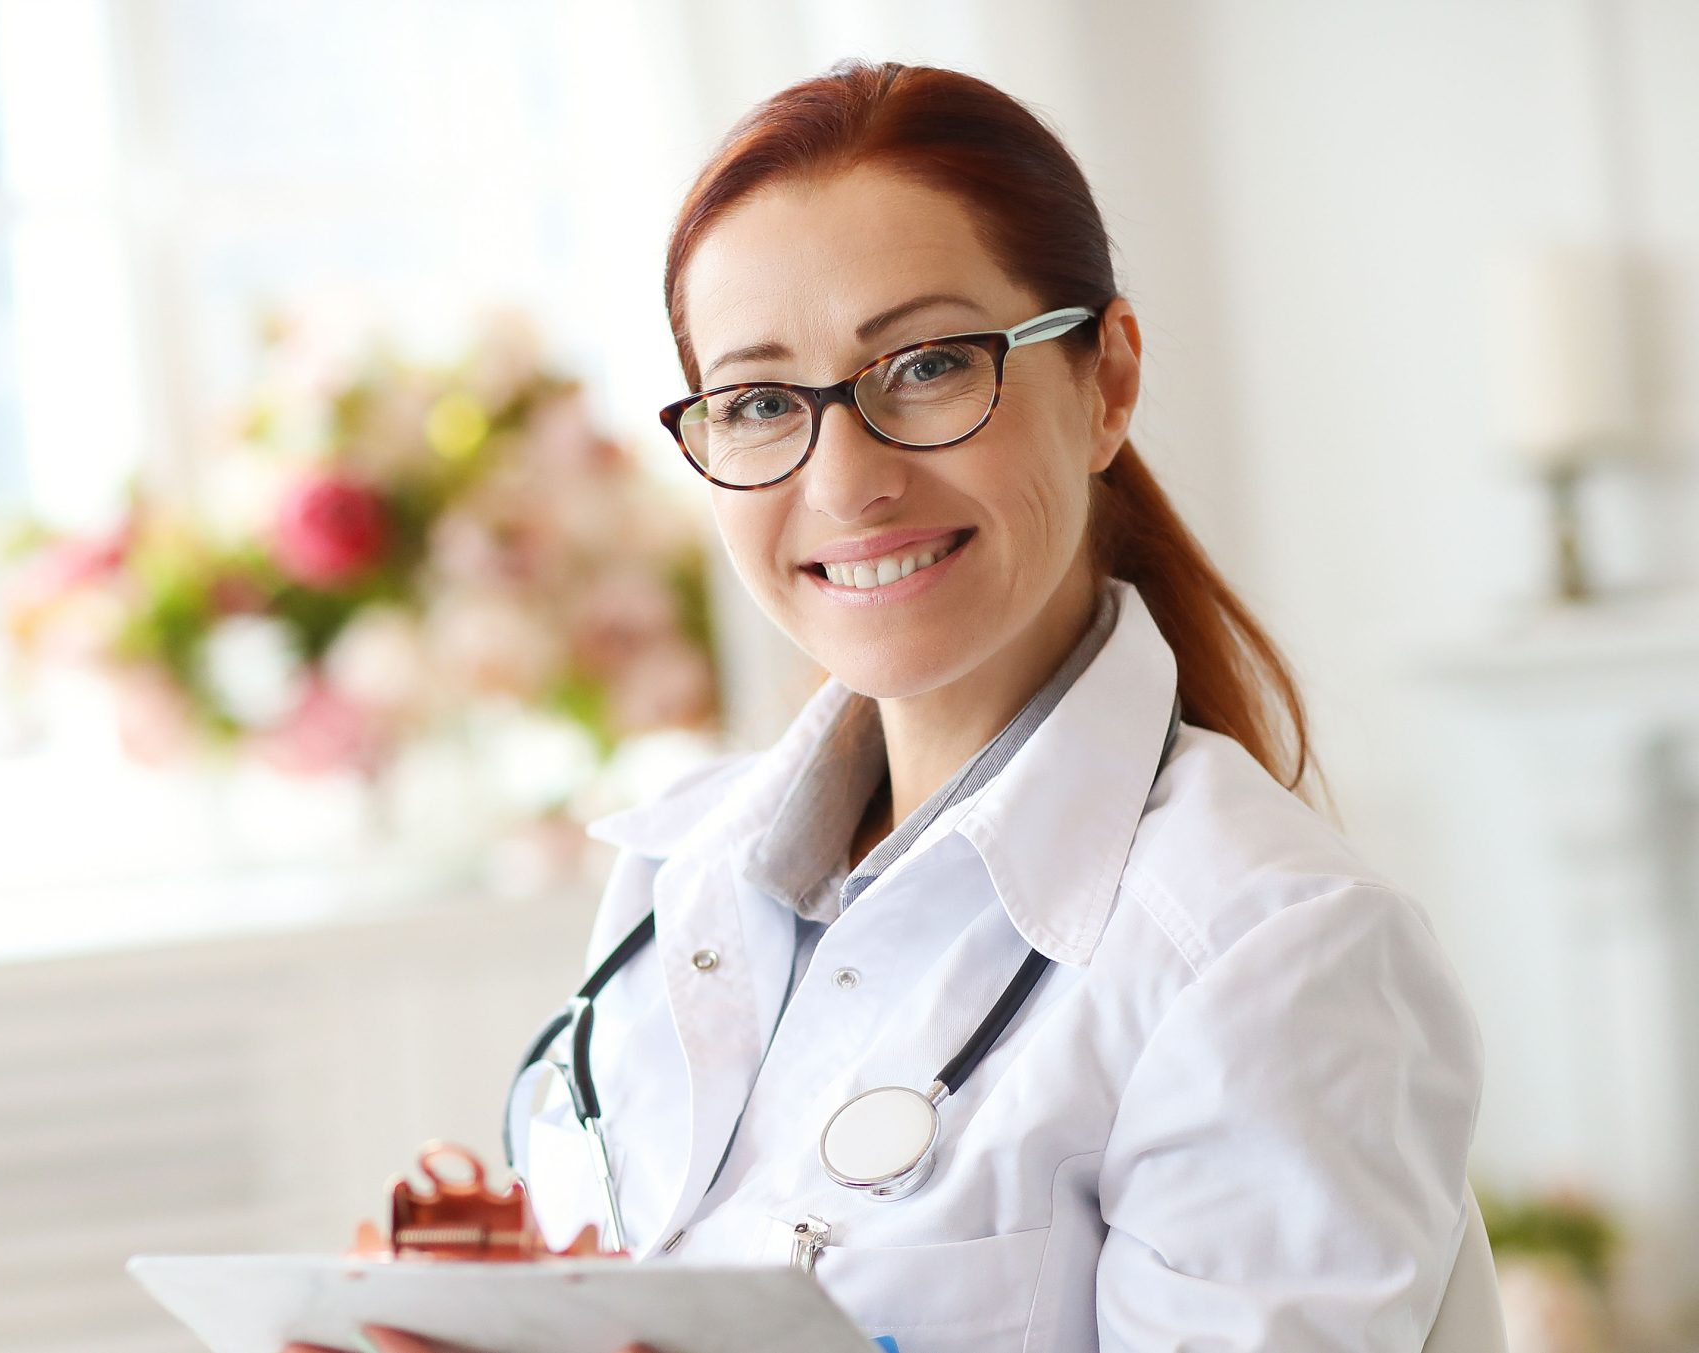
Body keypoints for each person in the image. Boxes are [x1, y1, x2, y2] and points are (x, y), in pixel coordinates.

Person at [289, 58, 1482, 1353]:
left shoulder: (1267, 951)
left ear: (1108, 382)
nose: (848, 480)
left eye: (923, 366)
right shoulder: (670, 881)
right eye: (755, 402)